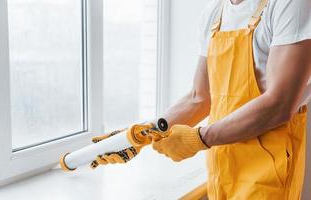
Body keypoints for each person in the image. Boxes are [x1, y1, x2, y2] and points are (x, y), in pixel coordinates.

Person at [92, 0, 311, 199]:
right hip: (222, 168)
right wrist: (143, 135)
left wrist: (200, 138)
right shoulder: (214, 14)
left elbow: (279, 104)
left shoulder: (289, 4)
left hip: (269, 173)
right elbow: (199, 97)